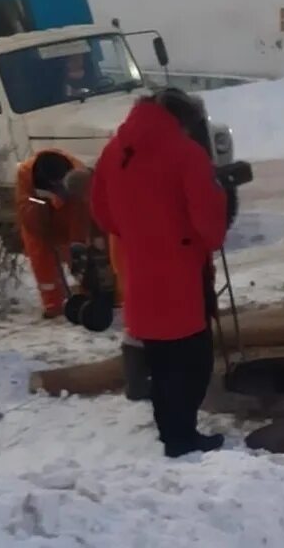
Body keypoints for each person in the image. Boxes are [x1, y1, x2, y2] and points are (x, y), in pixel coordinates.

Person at [91, 88, 228, 457]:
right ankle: (182, 438)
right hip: (182, 276)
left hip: (138, 272)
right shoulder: (187, 155)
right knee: (192, 363)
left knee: (161, 360)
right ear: (182, 120)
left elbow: (102, 212)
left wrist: (137, 235)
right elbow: (210, 229)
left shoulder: (113, 151)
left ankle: (172, 432)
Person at [15, 149, 90, 318]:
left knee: (83, 259)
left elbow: (81, 214)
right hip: (39, 222)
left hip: (69, 219)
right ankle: (52, 304)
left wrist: (77, 243)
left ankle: (89, 296)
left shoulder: (78, 176)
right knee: (42, 261)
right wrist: (40, 212)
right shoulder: (25, 174)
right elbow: (24, 208)